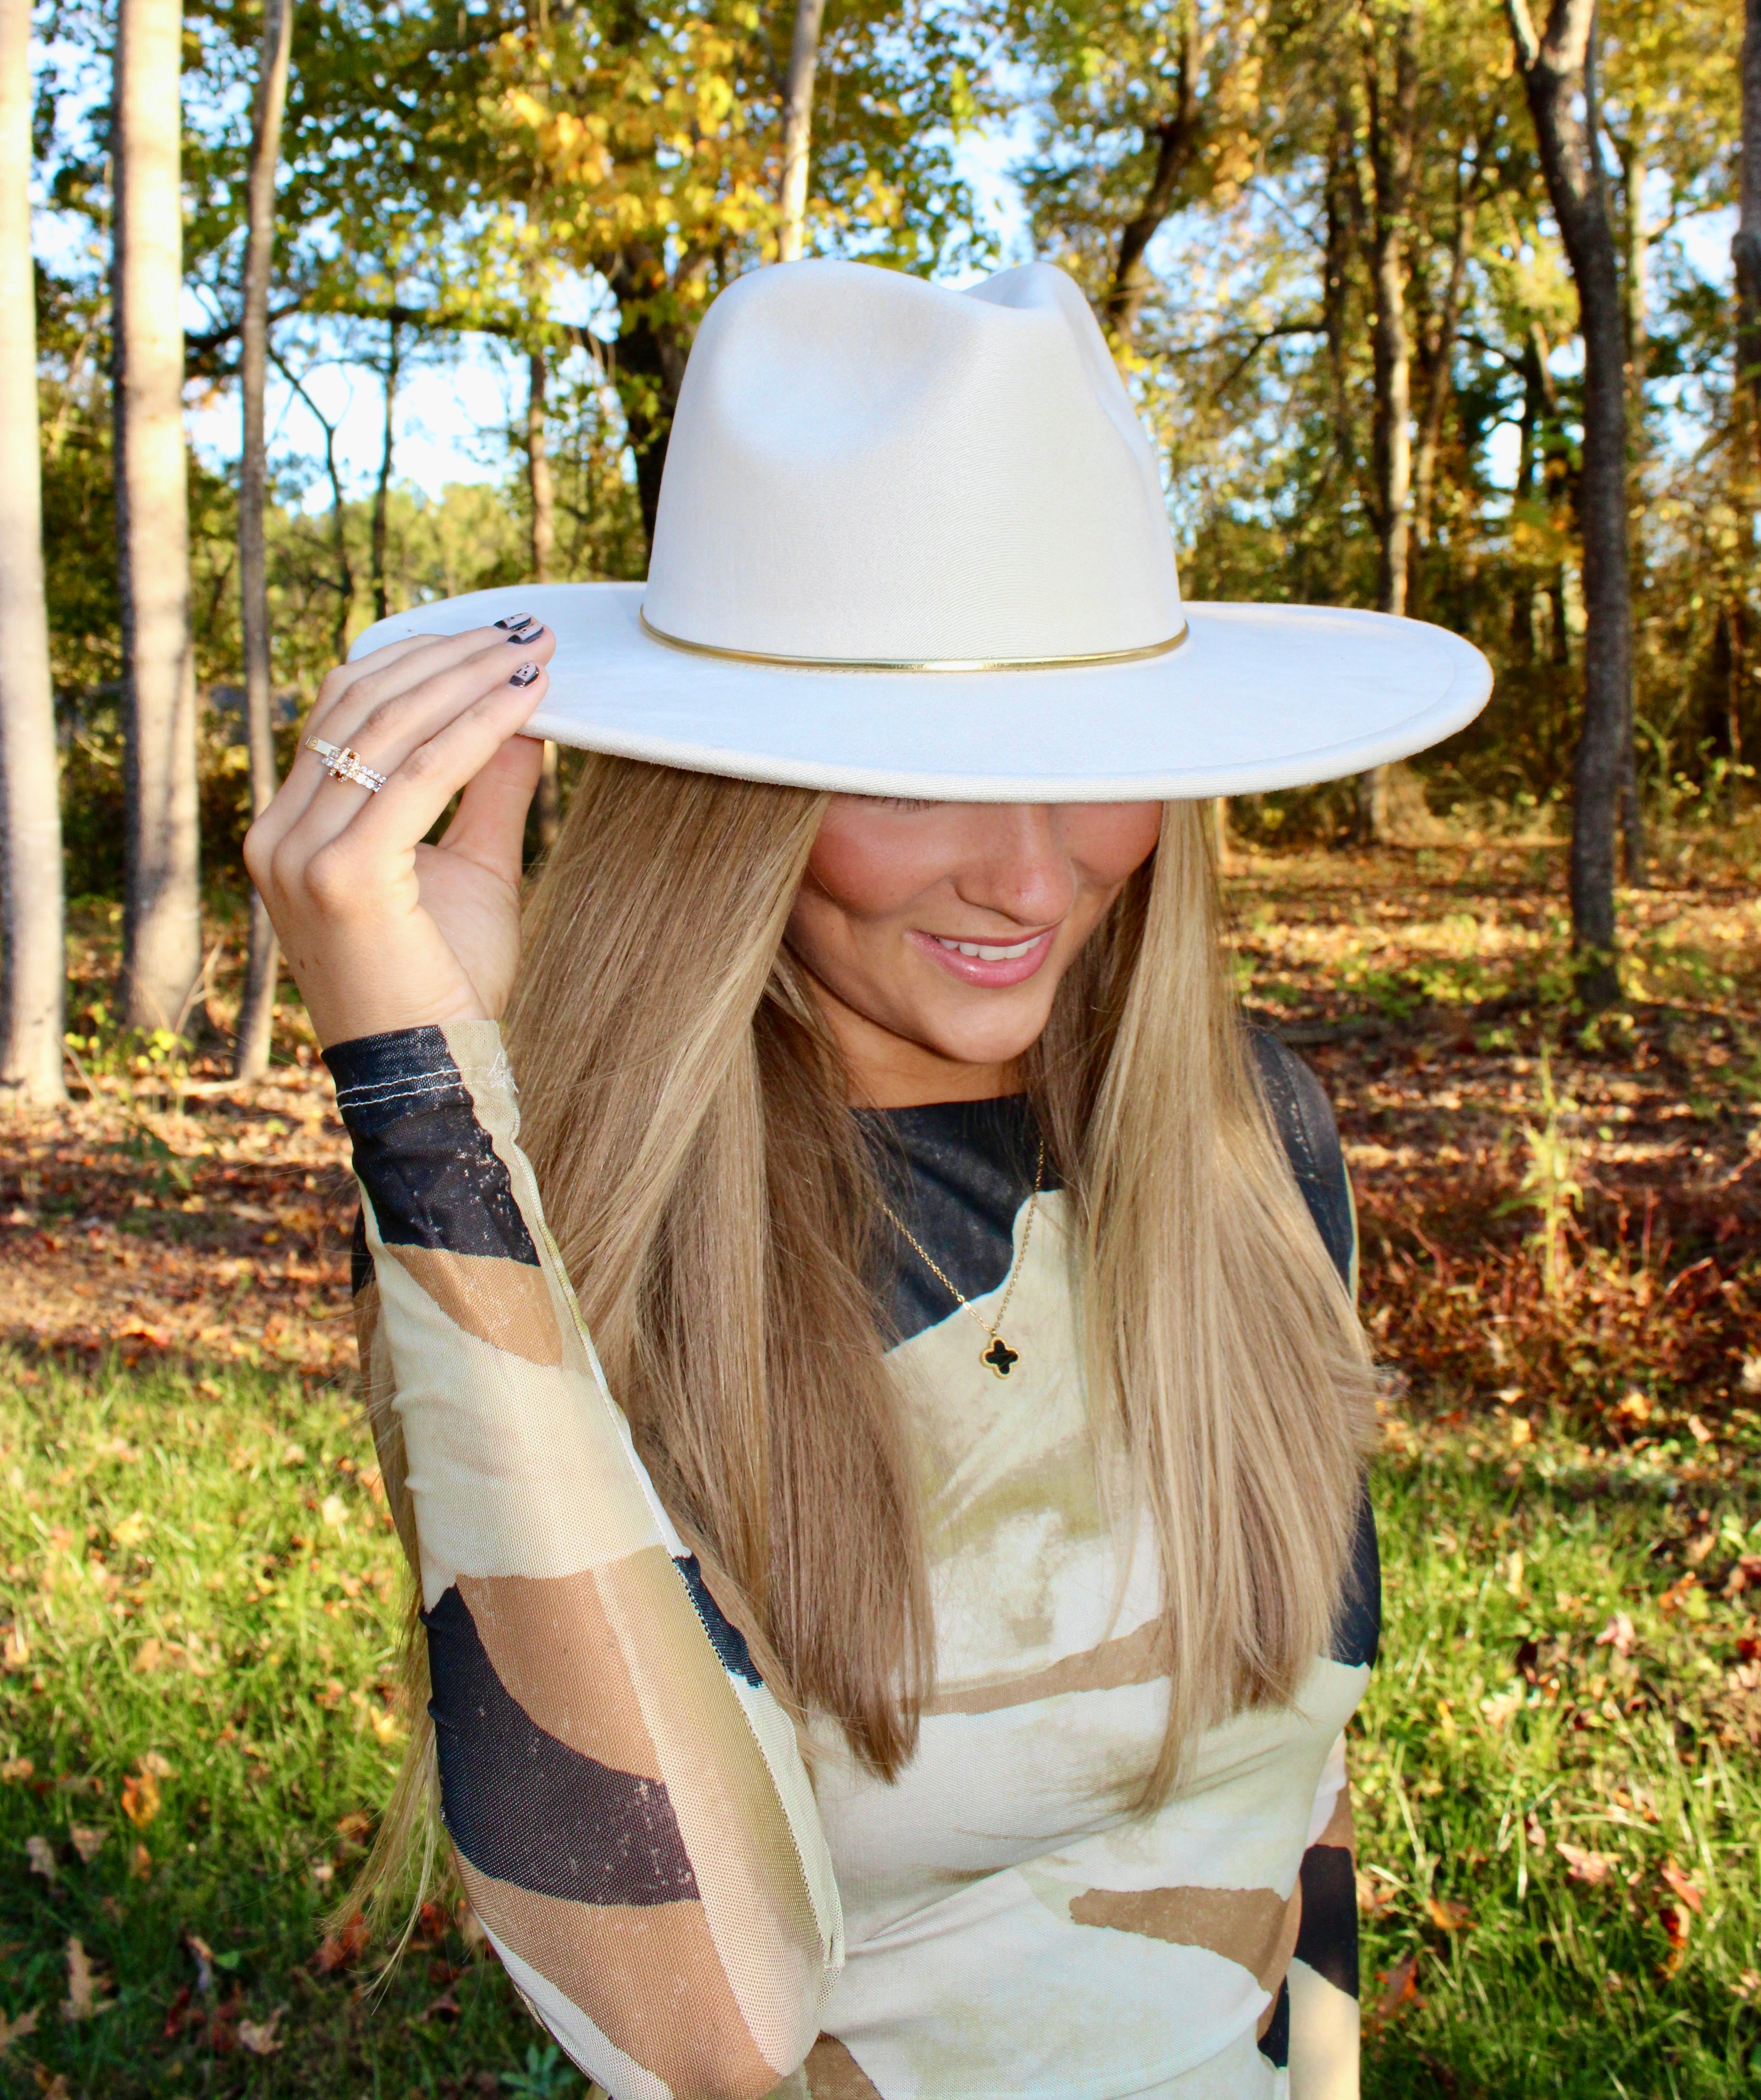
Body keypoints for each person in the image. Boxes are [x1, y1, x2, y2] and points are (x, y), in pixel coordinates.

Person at [247, 259, 1490, 2100]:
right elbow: (700, 2035)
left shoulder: (1244, 1132)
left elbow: (1296, 1815)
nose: (1032, 875)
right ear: (729, 805)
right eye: (911, 780)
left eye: (1089, 766)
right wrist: (431, 1101)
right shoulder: (560, 1217)